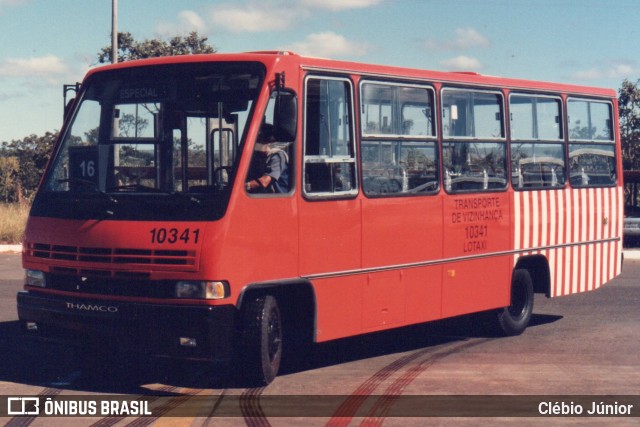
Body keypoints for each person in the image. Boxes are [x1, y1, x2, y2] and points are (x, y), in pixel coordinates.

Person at [246, 124, 290, 193]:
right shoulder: (260, 157)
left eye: (258, 138)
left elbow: (265, 181)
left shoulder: (277, 156)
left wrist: (246, 185)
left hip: (278, 198)